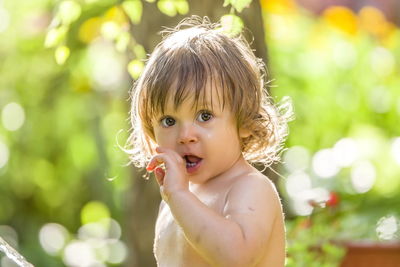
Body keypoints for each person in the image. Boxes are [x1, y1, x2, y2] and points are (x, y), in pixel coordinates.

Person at [127, 15, 292, 267]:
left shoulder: (250, 188)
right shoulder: (177, 199)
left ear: (245, 122)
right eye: (168, 121)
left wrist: (179, 195)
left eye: (204, 116)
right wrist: (178, 195)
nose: (185, 136)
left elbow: (237, 256)